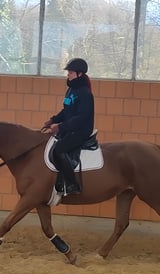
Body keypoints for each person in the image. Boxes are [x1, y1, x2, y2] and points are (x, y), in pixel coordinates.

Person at [43, 58, 95, 195]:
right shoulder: (71, 90)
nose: (68, 75)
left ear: (79, 74)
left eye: (71, 73)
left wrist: (61, 126)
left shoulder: (85, 93)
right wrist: (52, 120)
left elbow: (82, 117)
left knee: (59, 150)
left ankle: (72, 184)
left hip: (80, 131)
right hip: (70, 129)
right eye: (68, 73)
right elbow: (66, 111)